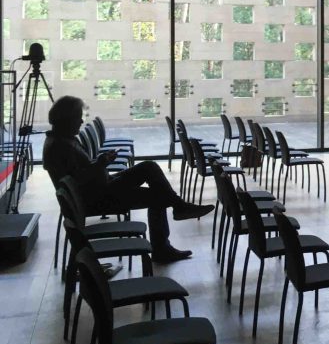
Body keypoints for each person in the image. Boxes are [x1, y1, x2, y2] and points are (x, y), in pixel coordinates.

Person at [42, 95, 211, 262]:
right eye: (77, 118)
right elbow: (76, 181)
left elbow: (79, 173)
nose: (81, 121)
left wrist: (101, 163)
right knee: (157, 194)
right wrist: (100, 164)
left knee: (149, 167)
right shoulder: (59, 146)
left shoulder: (62, 140)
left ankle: (178, 210)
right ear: (66, 119)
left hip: (102, 187)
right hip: (99, 198)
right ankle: (165, 242)